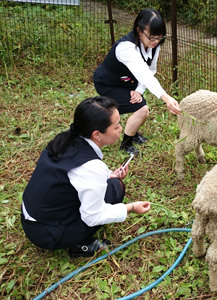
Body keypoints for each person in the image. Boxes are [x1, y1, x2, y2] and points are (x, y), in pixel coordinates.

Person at [21, 96, 151, 258]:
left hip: (34, 216)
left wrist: (109, 175)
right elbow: (92, 216)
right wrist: (131, 207)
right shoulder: (90, 167)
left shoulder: (65, 140)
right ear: (97, 134)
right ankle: (80, 244)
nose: (120, 129)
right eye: (116, 126)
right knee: (116, 189)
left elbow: (73, 177)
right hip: (47, 233)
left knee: (113, 184)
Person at [93, 8, 181, 156]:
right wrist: (166, 97)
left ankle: (132, 133)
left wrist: (139, 90)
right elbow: (145, 75)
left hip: (128, 82)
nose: (155, 42)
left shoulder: (154, 45)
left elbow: (150, 70)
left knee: (140, 106)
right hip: (108, 83)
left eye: (159, 37)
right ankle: (126, 144)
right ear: (139, 31)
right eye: (151, 37)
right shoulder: (126, 48)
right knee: (142, 109)